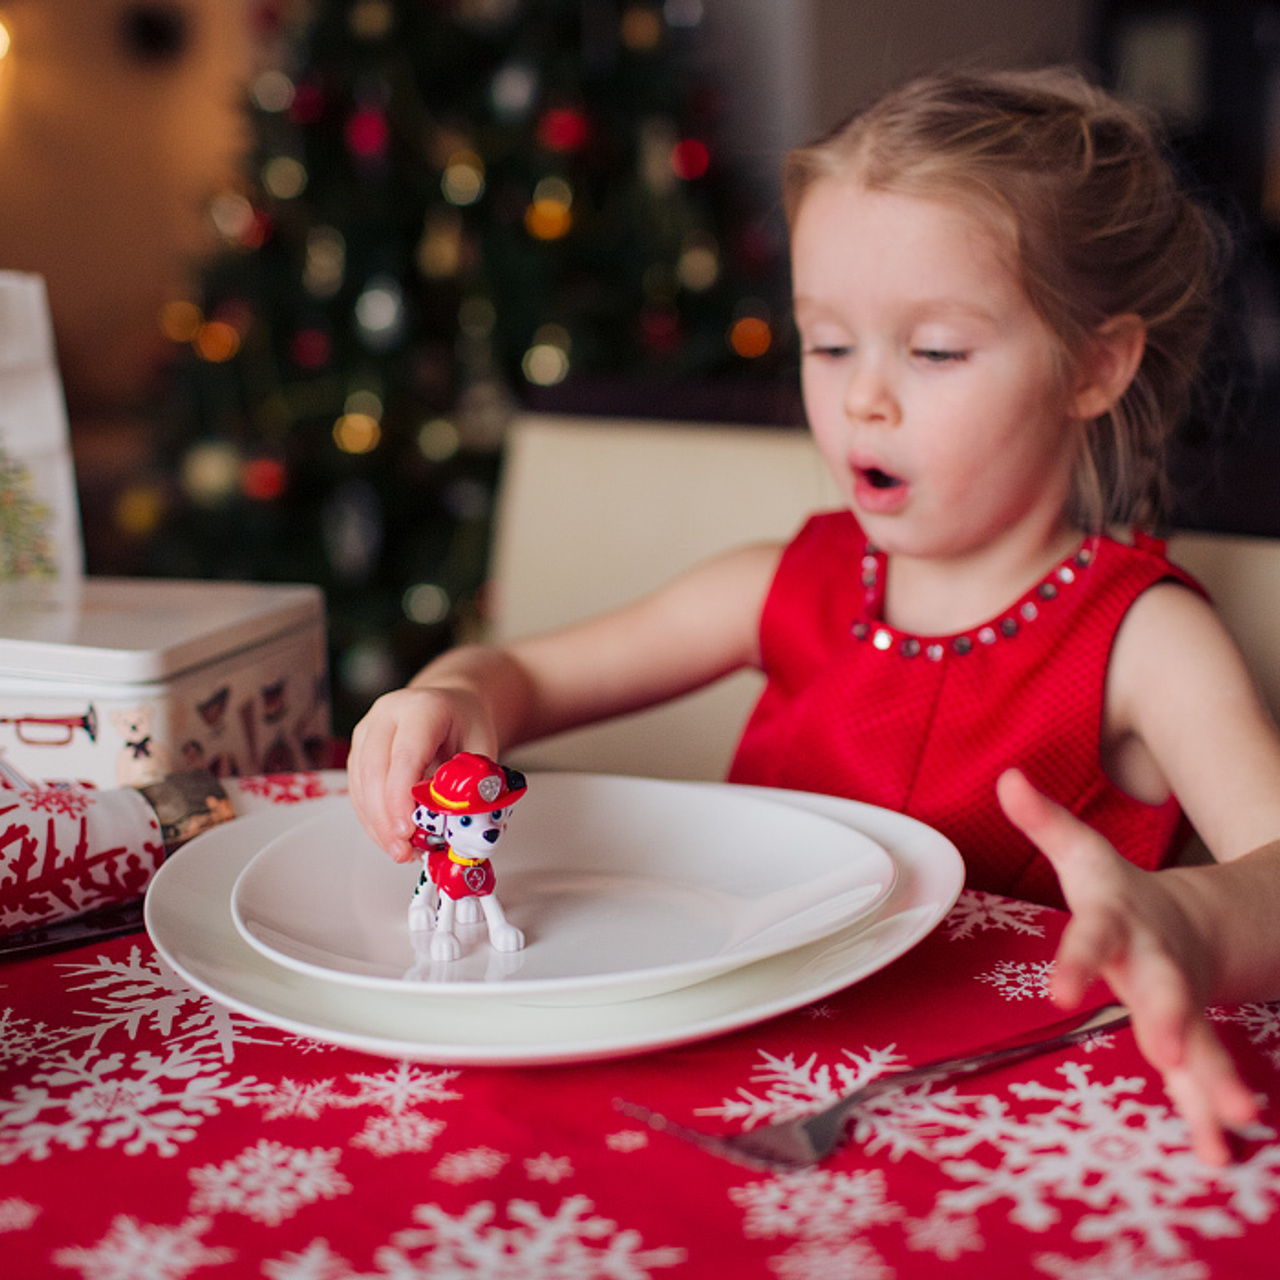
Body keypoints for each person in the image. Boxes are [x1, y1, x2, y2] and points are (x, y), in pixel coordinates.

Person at [348, 67, 1280, 1165]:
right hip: (731, 1095)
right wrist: (449, 693)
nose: (860, 399)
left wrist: (1190, 920)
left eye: (932, 350)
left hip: (993, 1128)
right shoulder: (781, 580)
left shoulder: (1137, 638)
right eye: (826, 343)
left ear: (1093, 364)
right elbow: (525, 678)